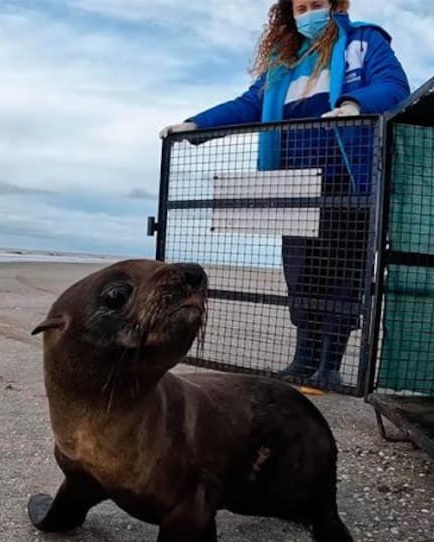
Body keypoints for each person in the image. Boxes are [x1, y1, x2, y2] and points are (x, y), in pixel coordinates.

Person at [159, 0, 410, 389]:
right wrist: (195, 124)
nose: (308, 12)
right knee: (301, 272)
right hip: (293, 184)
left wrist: (354, 104)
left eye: (317, 4)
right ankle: (303, 359)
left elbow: (393, 86)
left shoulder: (364, 41)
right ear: (289, 13)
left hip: (348, 178)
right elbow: (249, 104)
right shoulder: (283, 62)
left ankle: (330, 365)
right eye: (301, 7)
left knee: (343, 271)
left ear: (336, 5)